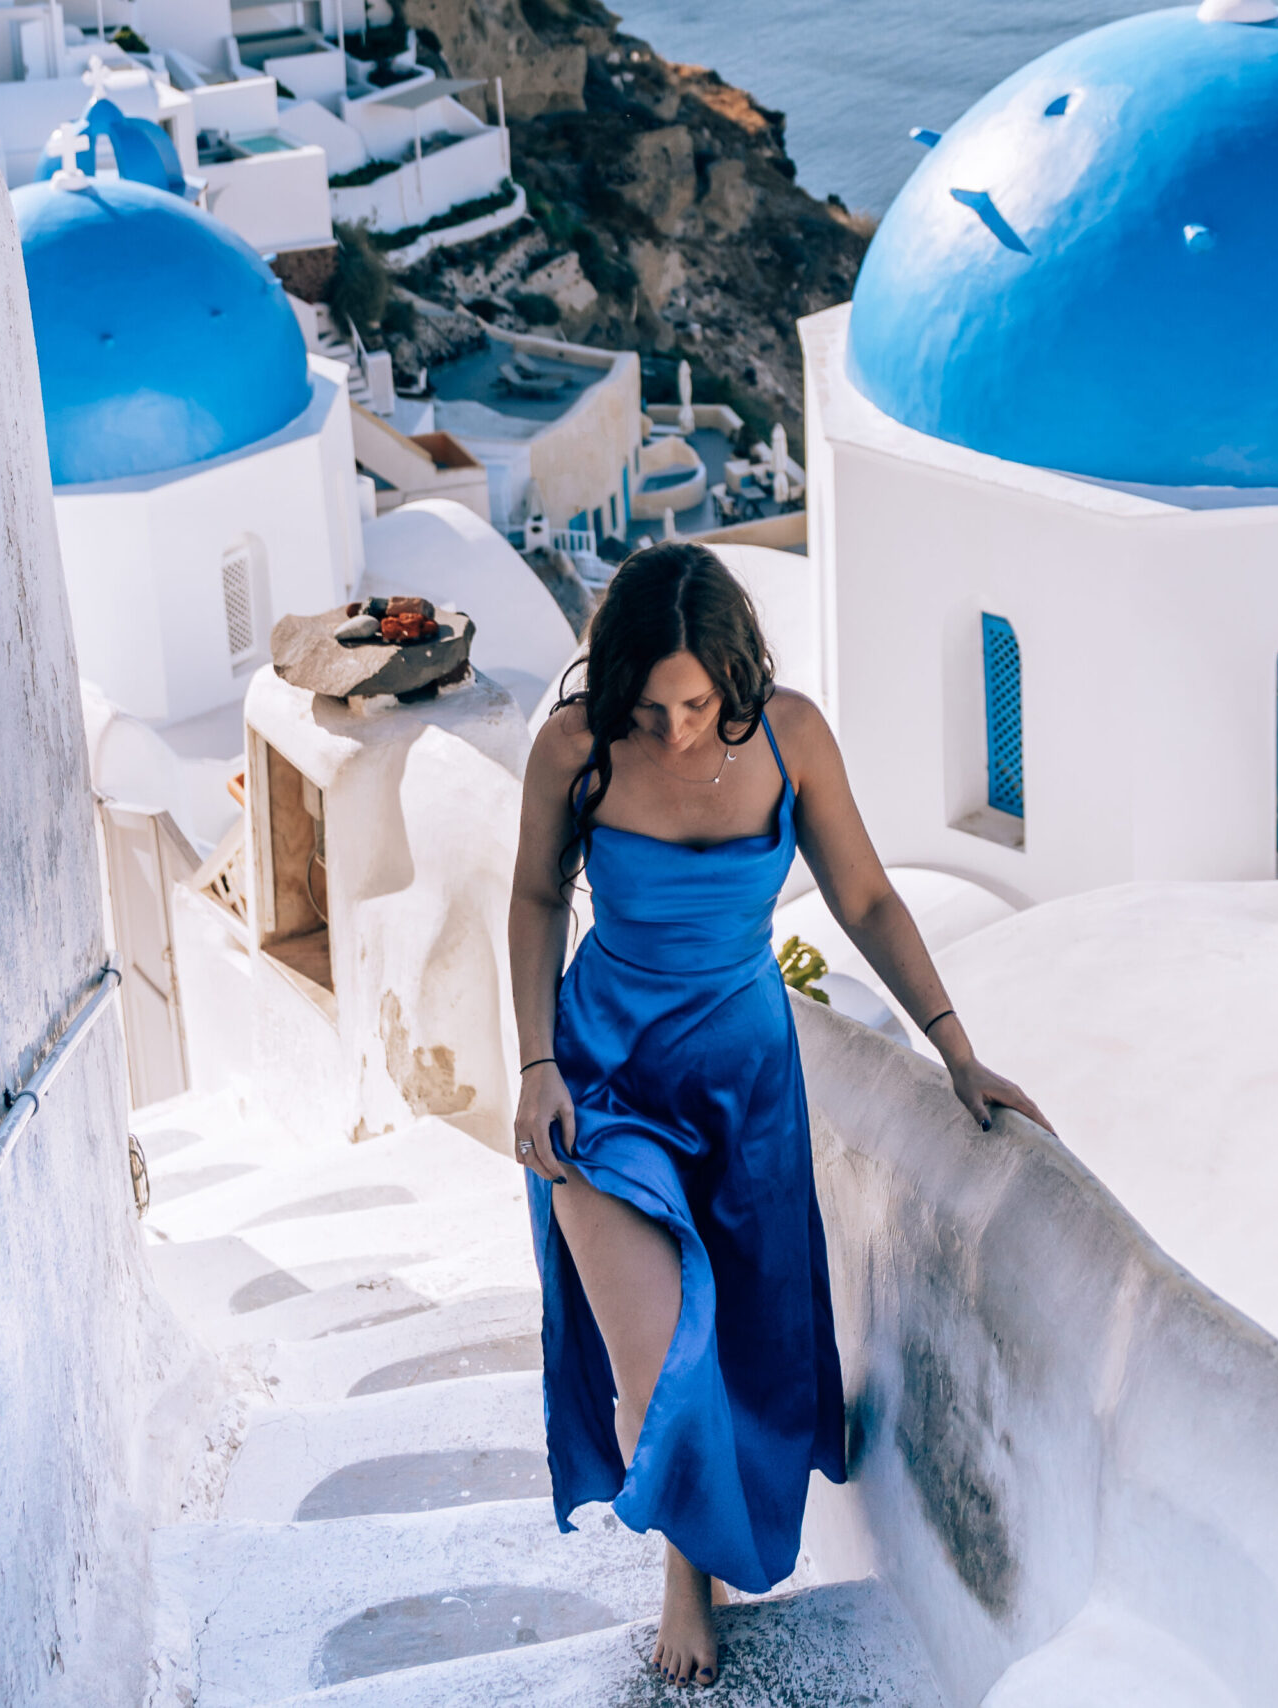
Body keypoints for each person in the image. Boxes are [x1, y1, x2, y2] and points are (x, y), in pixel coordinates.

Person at [506, 542, 1047, 1686]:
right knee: (655, 1355)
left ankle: (700, 1554)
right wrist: (534, 1063)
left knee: (737, 1337)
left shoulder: (790, 738)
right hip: (603, 1072)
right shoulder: (577, 748)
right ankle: (680, 1571)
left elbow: (863, 895)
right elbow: (537, 891)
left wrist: (956, 1050)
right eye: (651, 704)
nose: (678, 728)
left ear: (736, 673)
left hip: (742, 1084)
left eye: (697, 702)